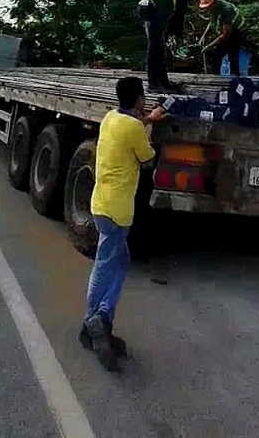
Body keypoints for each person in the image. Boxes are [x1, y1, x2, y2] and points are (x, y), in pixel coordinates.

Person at [79, 76, 166, 371]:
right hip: (118, 210)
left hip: (101, 203)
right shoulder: (134, 128)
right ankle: (95, 320)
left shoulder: (110, 118)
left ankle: (101, 320)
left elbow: (130, 125)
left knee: (118, 262)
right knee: (106, 264)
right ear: (140, 99)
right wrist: (150, 122)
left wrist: (145, 118)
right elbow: (148, 158)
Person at [137, 0, 215, 93]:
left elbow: (175, 11)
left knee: (160, 48)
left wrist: (171, 31)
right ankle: (153, 84)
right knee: (155, 47)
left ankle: (163, 82)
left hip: (150, 7)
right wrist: (176, 32)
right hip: (150, 8)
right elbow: (180, 11)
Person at [199, 0, 246, 75]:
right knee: (216, 56)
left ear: (215, 1)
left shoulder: (226, 10)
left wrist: (210, 45)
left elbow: (226, 34)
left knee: (233, 57)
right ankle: (215, 76)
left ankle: (235, 79)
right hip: (225, 31)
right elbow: (212, 22)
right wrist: (204, 36)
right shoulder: (213, 9)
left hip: (235, 33)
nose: (207, 9)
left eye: (208, 6)